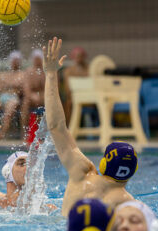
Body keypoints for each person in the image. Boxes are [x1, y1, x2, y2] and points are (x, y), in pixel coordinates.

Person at [43, 37, 137, 216]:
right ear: (133, 171)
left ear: (103, 164)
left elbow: (56, 126)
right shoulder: (130, 205)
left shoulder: (82, 173)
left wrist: (50, 74)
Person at [21, 49, 45, 139]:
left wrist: (41, 97)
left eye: (39, 59)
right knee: (25, 103)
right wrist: (33, 96)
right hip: (31, 98)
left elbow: (49, 89)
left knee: (52, 103)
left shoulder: (45, 72)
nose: (37, 61)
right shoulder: (28, 71)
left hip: (43, 97)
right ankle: (25, 132)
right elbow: (26, 89)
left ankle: (51, 132)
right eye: (36, 58)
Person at [62, 46, 89, 126]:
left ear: (84, 57)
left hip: (88, 96)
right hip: (74, 97)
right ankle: (70, 126)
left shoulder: (89, 69)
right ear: (73, 57)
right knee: (67, 103)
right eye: (77, 56)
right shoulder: (68, 71)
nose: (79, 59)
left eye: (81, 56)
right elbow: (68, 88)